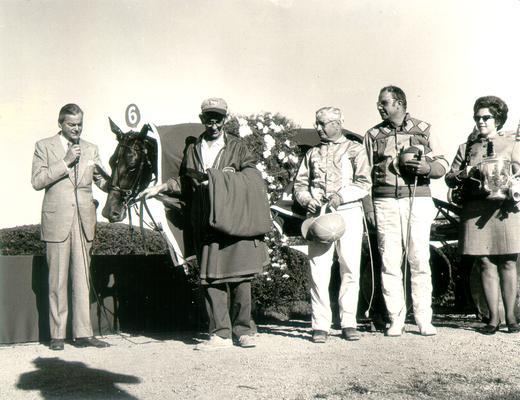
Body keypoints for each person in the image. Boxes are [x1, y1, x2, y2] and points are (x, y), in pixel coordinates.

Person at [141, 97, 271, 350]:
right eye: (209, 117)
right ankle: (220, 334)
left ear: (225, 119)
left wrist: (225, 179)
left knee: (241, 277)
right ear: (202, 119)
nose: (213, 123)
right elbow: (185, 182)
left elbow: (253, 177)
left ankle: (244, 331)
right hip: (205, 219)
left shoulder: (238, 146)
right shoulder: (193, 149)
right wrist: (162, 186)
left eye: (218, 117)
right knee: (212, 278)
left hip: (234, 219)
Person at [363, 86, 449, 337]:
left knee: (419, 258)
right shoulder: (372, 135)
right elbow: (364, 174)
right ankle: (396, 319)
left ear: (399, 103)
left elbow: (442, 162)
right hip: (385, 202)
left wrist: (426, 168)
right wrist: (368, 206)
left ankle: (424, 318)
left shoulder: (424, 129)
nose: (380, 107)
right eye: (379, 103)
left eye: (384, 102)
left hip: (418, 199)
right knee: (389, 260)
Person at [31, 103, 110, 350]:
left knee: (82, 278)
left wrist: (113, 179)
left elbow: (103, 183)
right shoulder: (44, 146)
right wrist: (65, 162)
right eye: (71, 124)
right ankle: (57, 335)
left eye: (80, 124)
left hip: (84, 221)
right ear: (60, 123)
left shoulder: (91, 149)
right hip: (57, 221)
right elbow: (37, 181)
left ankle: (83, 333)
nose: (77, 129)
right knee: (57, 280)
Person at [293, 107, 371, 343]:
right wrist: (308, 199)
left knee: (349, 267)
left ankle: (349, 322)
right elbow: (300, 185)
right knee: (318, 269)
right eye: (317, 123)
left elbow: (364, 182)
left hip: (348, 212)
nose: (318, 128)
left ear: (337, 124)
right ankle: (320, 325)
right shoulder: (312, 154)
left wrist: (341, 196)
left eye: (322, 124)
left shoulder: (356, 149)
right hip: (319, 216)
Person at [445, 95, 520, 334]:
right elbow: (449, 177)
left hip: (505, 210)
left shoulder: (513, 144)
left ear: (497, 119)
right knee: (485, 262)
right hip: (475, 210)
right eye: (477, 117)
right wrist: (463, 174)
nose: (480, 121)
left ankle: (512, 318)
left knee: (509, 261)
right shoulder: (466, 147)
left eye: (486, 117)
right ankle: (492, 319)